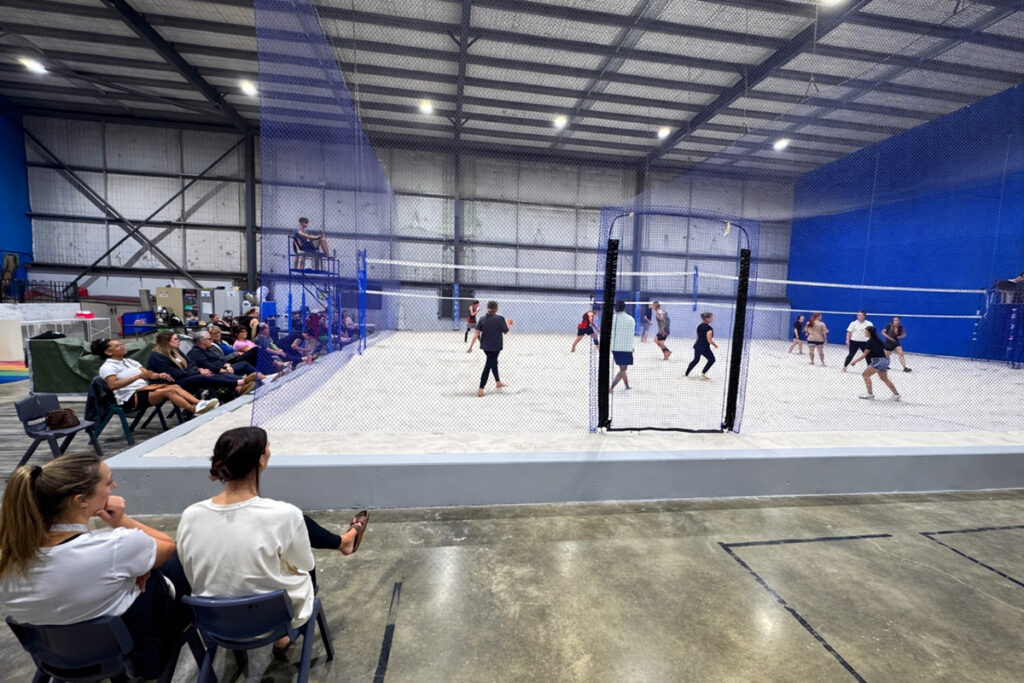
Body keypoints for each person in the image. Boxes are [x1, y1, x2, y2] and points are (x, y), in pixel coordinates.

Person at [177, 427, 366, 660]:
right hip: (273, 619)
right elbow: (305, 564)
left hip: (215, 622)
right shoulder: (284, 514)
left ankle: (344, 542)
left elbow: (189, 568)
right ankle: (283, 637)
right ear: (262, 460)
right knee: (301, 559)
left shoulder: (190, 515)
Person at [0, 455, 193, 679]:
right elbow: (170, 547)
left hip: (55, 658)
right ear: (81, 500)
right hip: (129, 654)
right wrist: (120, 521)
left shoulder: (8, 560)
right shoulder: (117, 546)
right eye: (108, 482)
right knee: (175, 562)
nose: (114, 486)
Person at [91, 338, 219, 416]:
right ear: (108, 352)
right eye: (117, 346)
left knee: (173, 386)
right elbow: (113, 385)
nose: (122, 346)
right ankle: (194, 409)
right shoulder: (107, 367)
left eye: (121, 344)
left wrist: (159, 375)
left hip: (146, 390)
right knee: (169, 391)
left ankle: (200, 404)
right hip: (130, 397)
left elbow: (147, 374)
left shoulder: (130, 361)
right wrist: (136, 377)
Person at [147, 332, 254, 398]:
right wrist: (198, 371)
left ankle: (240, 386)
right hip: (172, 382)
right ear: (166, 342)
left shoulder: (176, 351)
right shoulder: (157, 356)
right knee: (202, 376)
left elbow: (191, 363)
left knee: (208, 373)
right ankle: (240, 383)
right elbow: (173, 373)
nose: (178, 341)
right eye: (175, 339)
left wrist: (199, 370)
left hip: (187, 375)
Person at [467, 300, 514, 397]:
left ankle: (498, 382)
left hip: (486, 346)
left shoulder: (482, 319)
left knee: (493, 362)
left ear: (487, 308)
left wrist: (470, 347)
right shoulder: (500, 319)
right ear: (496, 309)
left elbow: (476, 334)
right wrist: (509, 324)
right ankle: (481, 388)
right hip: (496, 346)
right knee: (489, 364)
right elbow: (505, 331)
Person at [849, 325, 901, 401]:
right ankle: (896, 394)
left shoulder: (870, 342)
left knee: (865, 375)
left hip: (878, 361)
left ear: (869, 333)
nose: (864, 333)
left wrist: (855, 361)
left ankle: (870, 394)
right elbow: (887, 350)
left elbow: (864, 354)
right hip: (885, 361)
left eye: (865, 332)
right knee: (884, 378)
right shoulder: (878, 340)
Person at [188, 330, 264, 381]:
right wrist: (223, 369)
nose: (211, 340)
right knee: (255, 351)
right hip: (217, 372)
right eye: (209, 339)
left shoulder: (209, 349)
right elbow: (207, 366)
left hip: (225, 366)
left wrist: (227, 365)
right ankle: (248, 381)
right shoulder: (196, 353)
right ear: (202, 341)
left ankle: (261, 376)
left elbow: (220, 359)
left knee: (244, 363)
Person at [609, 300, 635, 393]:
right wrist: (633, 347)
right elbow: (632, 335)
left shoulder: (611, 319)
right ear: (624, 308)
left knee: (622, 368)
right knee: (623, 369)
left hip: (615, 348)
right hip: (627, 348)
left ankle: (627, 386)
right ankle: (611, 387)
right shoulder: (631, 319)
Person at [685, 311, 719, 380]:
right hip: (704, 347)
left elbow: (698, 337)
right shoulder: (709, 329)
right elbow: (709, 340)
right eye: (711, 318)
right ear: (707, 319)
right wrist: (715, 345)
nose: (712, 319)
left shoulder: (699, 326)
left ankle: (686, 373)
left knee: (696, 360)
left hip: (697, 346)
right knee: (712, 360)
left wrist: (695, 345)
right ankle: (703, 373)